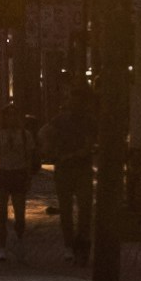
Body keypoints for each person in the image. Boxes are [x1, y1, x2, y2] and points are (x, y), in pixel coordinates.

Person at [0, 99, 39, 257]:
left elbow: (30, 158)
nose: (10, 118)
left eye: (13, 115)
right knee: (1, 216)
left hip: (19, 174)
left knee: (20, 215)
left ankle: (19, 234)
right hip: (3, 174)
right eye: (7, 115)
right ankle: (2, 249)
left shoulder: (25, 135)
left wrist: (28, 177)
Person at [48, 88, 93, 260]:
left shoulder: (83, 121)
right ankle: (76, 243)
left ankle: (76, 243)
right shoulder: (64, 120)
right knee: (78, 209)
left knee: (74, 209)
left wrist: (56, 153)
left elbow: (44, 134)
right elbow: (88, 147)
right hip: (74, 168)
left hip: (73, 168)